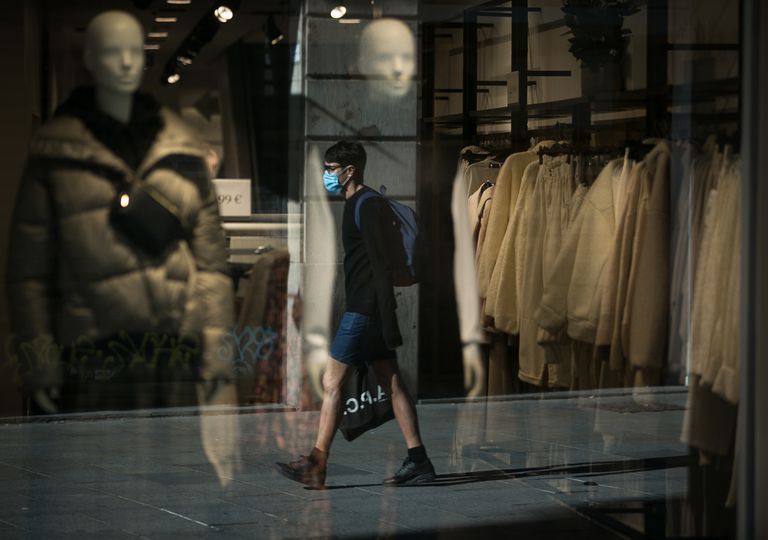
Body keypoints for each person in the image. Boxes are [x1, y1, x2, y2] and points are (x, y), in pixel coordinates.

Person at [5, 10, 235, 413]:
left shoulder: (182, 146)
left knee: (175, 472)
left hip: (172, 351)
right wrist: (39, 363)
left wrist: (215, 354)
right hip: (89, 352)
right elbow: (29, 274)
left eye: (133, 51)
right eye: (113, 52)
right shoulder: (56, 151)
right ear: (91, 59)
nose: (126, 62)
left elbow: (212, 265)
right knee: (90, 470)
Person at [277, 141, 435, 487]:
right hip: (368, 310)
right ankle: (419, 460)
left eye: (332, 169)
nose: (326, 175)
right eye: (327, 168)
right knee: (392, 384)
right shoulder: (358, 204)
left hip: (364, 311)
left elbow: (379, 265)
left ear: (351, 171)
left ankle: (317, 464)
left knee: (332, 383)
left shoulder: (365, 205)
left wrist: (387, 318)